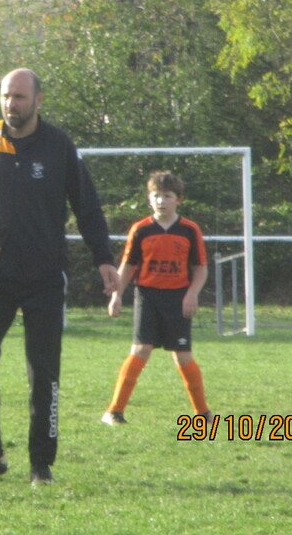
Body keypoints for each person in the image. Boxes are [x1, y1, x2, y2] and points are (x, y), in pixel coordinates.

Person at [0, 68, 118, 486]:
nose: (11, 104)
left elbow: (87, 206)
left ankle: (40, 465)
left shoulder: (59, 146)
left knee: (43, 373)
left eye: (19, 97)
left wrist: (104, 258)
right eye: (5, 96)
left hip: (44, 278)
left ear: (38, 101)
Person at [101, 171, 211, 426]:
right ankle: (114, 411)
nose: (161, 201)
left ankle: (203, 414)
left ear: (179, 199)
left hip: (178, 298)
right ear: (149, 199)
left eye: (167, 196)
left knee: (183, 354)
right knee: (141, 349)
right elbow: (128, 266)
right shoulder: (140, 229)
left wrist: (192, 294)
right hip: (147, 296)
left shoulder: (189, 230)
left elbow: (200, 268)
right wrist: (117, 296)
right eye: (156, 196)